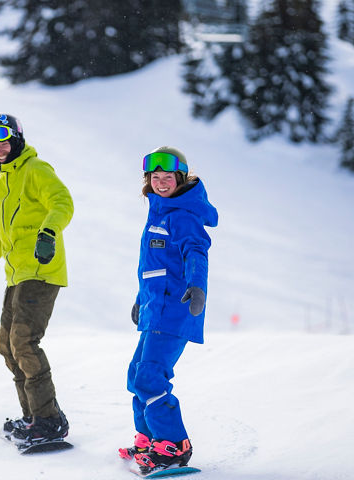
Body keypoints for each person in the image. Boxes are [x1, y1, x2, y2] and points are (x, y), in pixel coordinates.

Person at [0, 113, 74, 444]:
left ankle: (48, 420)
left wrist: (48, 232)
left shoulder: (35, 169)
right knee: (7, 346)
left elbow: (62, 202)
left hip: (41, 270)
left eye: (3, 139)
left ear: (17, 138)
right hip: (17, 276)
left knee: (24, 341)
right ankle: (34, 416)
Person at [119, 146, 218, 474]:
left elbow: (196, 251)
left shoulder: (183, 215)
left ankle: (174, 445)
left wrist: (197, 285)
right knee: (137, 374)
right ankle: (149, 440)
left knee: (150, 375)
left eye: (168, 177)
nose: (161, 183)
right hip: (155, 307)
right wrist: (140, 299)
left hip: (177, 308)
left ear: (180, 178)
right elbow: (154, 266)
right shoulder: (159, 212)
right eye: (155, 177)